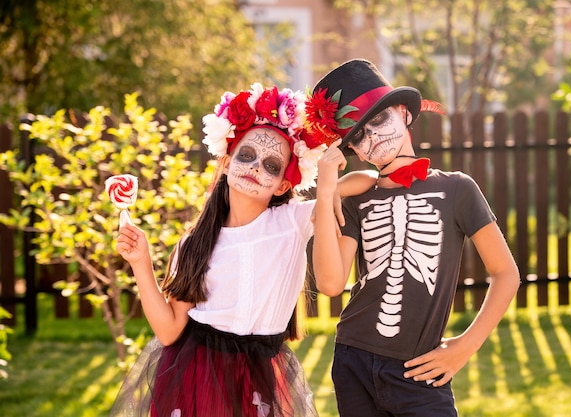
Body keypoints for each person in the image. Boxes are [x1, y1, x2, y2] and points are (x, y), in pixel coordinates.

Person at [108, 83, 375, 417]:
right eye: (246, 156)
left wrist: (327, 191)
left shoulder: (292, 220)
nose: (254, 167)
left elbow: (368, 177)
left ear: (283, 185)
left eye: (272, 165)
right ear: (226, 161)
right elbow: (169, 330)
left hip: (264, 370)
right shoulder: (196, 243)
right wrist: (141, 262)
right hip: (197, 373)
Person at [310, 59, 521, 417]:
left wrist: (465, 346)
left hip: (420, 368)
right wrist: (326, 190)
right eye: (358, 136)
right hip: (353, 360)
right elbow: (330, 283)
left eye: (378, 120)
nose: (373, 138)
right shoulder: (356, 198)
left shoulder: (456, 188)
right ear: (354, 151)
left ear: (404, 113)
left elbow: (506, 273)